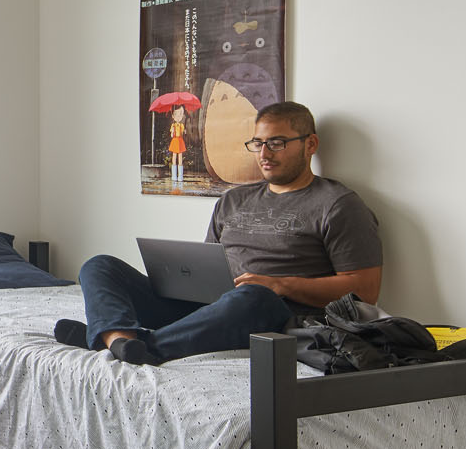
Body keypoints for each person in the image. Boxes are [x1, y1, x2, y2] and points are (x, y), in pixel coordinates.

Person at [56, 101, 382, 364]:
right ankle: (118, 339)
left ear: (310, 144)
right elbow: (205, 267)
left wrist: (279, 284)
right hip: (210, 308)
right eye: (258, 143)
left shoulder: (337, 204)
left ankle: (138, 344)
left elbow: (365, 291)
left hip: (269, 316)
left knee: (255, 297)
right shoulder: (234, 199)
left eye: (277, 143)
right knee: (100, 266)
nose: (264, 154)